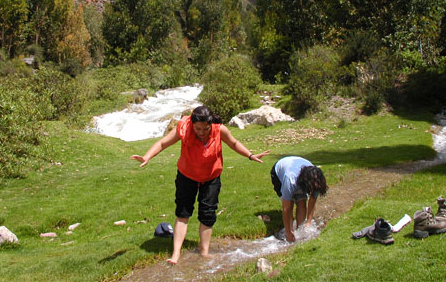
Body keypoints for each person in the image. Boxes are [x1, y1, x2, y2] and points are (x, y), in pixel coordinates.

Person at [131, 105, 269, 264]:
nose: (202, 132)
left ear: (211, 124)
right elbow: (163, 143)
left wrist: (250, 155)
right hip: (186, 175)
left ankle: (204, 252)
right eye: (198, 128)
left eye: (206, 129)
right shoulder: (183, 128)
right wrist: (147, 156)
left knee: (208, 213)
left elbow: (233, 143)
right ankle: (175, 254)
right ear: (192, 123)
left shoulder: (219, 129)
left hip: (211, 177)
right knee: (183, 212)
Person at [270, 156, 328, 242]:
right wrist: (288, 232)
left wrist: (308, 222)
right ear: (306, 183)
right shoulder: (290, 180)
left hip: (299, 170)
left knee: (301, 202)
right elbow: (286, 209)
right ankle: (290, 234)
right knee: (290, 204)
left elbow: (312, 200)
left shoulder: (317, 181)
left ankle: (299, 230)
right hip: (279, 171)